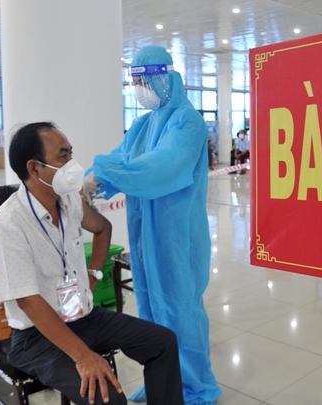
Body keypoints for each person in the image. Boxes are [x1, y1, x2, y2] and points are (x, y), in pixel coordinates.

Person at [0, 121, 184, 405]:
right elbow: (28, 301)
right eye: (62, 156)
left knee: (162, 342)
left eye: (70, 154)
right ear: (34, 168)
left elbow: (102, 229)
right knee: (111, 400)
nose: (72, 164)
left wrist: (93, 274)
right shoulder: (8, 224)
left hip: (83, 316)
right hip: (37, 337)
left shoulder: (68, 201)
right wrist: (83, 356)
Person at [85, 45, 222, 405]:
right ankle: (161, 376)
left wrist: (107, 171)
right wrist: (89, 178)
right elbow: (122, 157)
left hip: (177, 237)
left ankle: (193, 386)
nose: (139, 88)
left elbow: (164, 167)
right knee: (150, 308)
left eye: (144, 81)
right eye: (135, 82)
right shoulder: (144, 124)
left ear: (163, 78)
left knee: (180, 310)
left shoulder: (187, 122)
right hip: (146, 236)